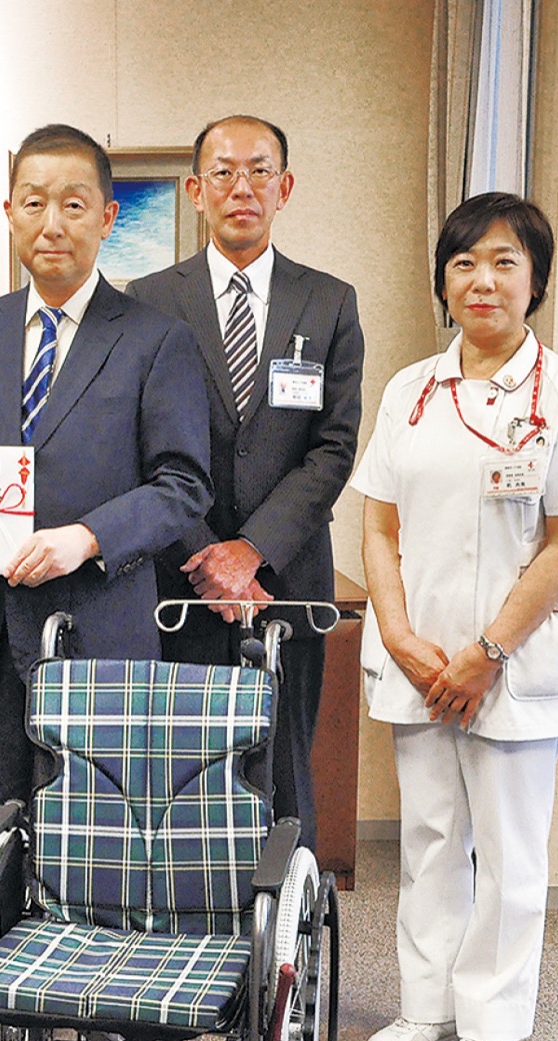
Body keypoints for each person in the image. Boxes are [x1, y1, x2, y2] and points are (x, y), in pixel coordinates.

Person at [354, 192, 558, 1041]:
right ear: (441, 279)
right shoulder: (409, 387)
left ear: (535, 278)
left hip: (511, 662)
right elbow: (378, 531)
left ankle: (493, 1023)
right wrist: (407, 639)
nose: (481, 280)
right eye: (463, 262)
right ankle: (425, 1008)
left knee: (509, 849)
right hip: (418, 661)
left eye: (503, 261)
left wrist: (483, 651)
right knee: (429, 838)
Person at [0, 124, 213, 817]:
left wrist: (84, 536)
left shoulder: (156, 339)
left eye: (74, 205)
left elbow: (183, 483)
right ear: (8, 213)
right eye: (33, 203)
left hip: (100, 626)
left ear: (108, 217)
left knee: (92, 832)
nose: (51, 224)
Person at [127, 115, 364, 851]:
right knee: (187, 765)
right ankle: (197, 939)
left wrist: (251, 550)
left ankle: (289, 950)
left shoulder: (327, 301)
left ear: (284, 187)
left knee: (286, 764)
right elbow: (141, 445)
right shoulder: (146, 299)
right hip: (180, 578)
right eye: (223, 172)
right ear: (196, 191)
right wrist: (209, 556)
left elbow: (333, 445)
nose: (242, 187)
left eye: (259, 171)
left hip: (288, 575)